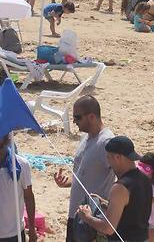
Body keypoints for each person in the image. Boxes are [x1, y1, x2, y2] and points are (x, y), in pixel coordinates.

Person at [54, 96, 115, 242]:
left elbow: (123, 177)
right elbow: (86, 173)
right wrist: (68, 181)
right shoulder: (85, 138)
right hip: (75, 215)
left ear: (92, 116)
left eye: (77, 117)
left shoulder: (107, 142)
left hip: (92, 220)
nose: (74, 121)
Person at [77, 136, 154, 242]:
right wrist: (106, 202)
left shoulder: (120, 187)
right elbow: (134, 209)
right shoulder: (145, 179)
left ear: (117, 157)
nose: (108, 162)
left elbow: (108, 228)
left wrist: (87, 217)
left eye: (109, 157)